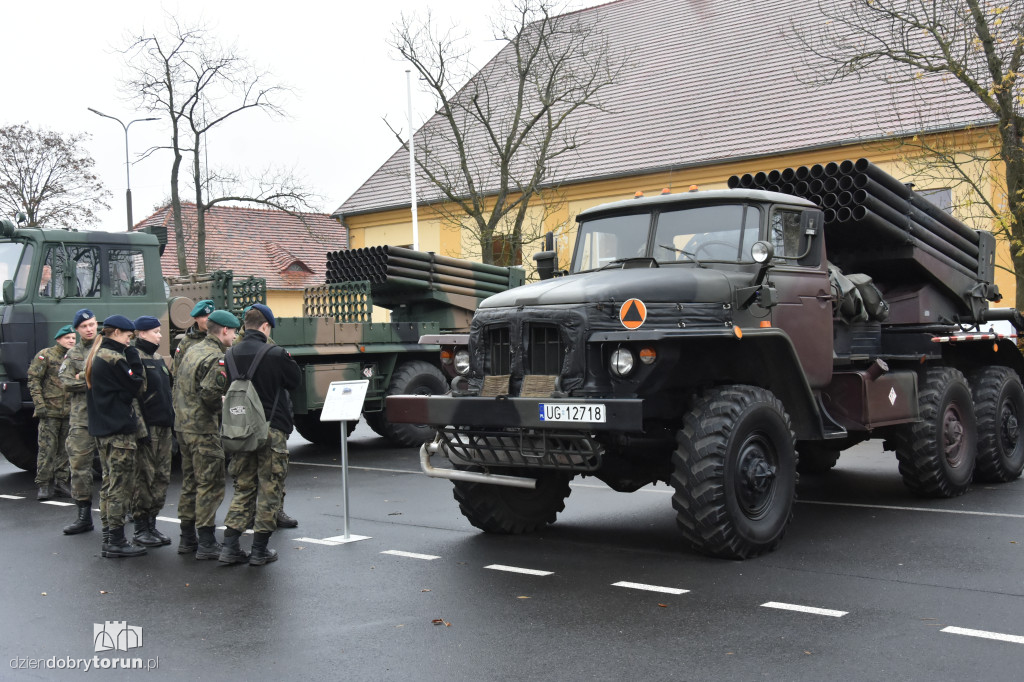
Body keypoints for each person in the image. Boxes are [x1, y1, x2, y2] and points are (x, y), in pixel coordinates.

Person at [219, 304, 300, 566]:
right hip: (271, 430)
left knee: (243, 487)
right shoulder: (276, 353)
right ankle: (259, 550)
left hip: (241, 429)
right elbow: (295, 381)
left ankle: (230, 546)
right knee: (269, 488)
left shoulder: (230, 353)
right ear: (266, 326)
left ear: (245, 325)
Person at [173, 309, 239, 559]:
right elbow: (211, 395)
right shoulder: (215, 357)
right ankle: (207, 541)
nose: (234, 336)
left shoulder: (192, 349)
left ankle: (187, 538)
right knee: (210, 484)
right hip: (203, 429)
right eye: (233, 331)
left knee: (190, 483)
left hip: (183, 426)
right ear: (224, 330)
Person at [85, 315, 147, 559]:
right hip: (118, 431)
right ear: (117, 332)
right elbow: (137, 385)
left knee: (110, 485)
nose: (129, 341)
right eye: (128, 336)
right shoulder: (113, 357)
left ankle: (110, 536)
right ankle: (117, 541)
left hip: (104, 429)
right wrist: (133, 358)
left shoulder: (98, 355)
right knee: (120, 486)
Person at [169, 298, 213, 552]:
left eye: (212, 317)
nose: (209, 321)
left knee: (196, 480)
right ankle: (193, 537)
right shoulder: (187, 344)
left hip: (196, 420)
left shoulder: (221, 341)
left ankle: (191, 538)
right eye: (205, 318)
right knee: (200, 481)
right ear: (196, 319)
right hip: (196, 419)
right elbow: (179, 379)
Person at [130, 316, 174, 547]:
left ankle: (152, 525)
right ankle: (140, 527)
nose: (159, 335)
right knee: (144, 478)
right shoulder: (134, 357)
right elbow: (134, 398)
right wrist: (141, 429)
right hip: (148, 428)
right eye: (155, 332)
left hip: (164, 426)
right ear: (142, 333)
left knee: (161, 477)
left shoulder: (157, 358)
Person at [60, 309, 100, 535]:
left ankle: (125, 510)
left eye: (92, 324)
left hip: (106, 416)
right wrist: (91, 381)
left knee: (117, 465)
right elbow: (65, 382)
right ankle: (84, 516)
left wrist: (82, 377)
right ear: (77, 329)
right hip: (81, 419)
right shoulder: (72, 353)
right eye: (84, 326)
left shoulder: (106, 347)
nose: (89, 329)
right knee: (79, 467)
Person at [28, 325, 76, 500]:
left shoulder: (74, 357)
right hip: (50, 411)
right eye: (68, 338)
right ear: (59, 339)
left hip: (70, 411)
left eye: (73, 338)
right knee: (47, 449)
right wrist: (39, 405)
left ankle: (61, 482)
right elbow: (34, 380)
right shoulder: (46, 355)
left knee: (65, 449)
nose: (71, 340)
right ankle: (43, 484)